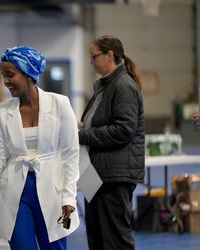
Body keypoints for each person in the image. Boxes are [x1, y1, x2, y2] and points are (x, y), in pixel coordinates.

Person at [0, 46, 80, 250]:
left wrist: (69, 196)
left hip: (53, 188)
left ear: (28, 73)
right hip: (17, 191)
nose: (5, 81)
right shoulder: (2, 111)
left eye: (10, 75)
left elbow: (70, 154)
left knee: (53, 247)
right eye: (3, 75)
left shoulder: (59, 104)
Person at [78, 35, 145, 250]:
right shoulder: (105, 86)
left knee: (115, 240)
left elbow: (123, 131)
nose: (91, 62)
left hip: (114, 177)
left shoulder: (123, 86)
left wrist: (81, 136)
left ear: (109, 55)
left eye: (94, 56)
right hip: (96, 175)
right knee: (97, 238)